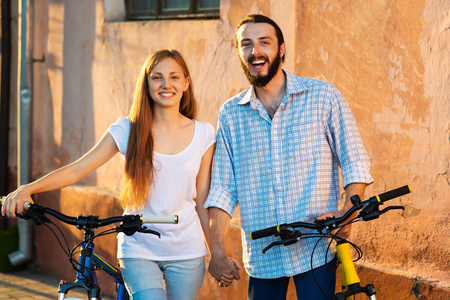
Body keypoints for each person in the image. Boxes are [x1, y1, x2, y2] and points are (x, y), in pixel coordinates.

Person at [1, 49, 216, 300]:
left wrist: (218, 254)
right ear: (146, 84)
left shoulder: (204, 134)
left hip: (186, 251)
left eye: (174, 77)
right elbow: (77, 168)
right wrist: (27, 188)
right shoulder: (127, 129)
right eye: (157, 77)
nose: (166, 84)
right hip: (138, 248)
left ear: (186, 83)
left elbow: (202, 202)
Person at [206, 14, 374, 299]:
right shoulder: (231, 114)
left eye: (264, 42)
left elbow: (355, 159)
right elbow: (222, 189)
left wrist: (348, 212)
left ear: (281, 49)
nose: (255, 51)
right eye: (246, 44)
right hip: (263, 255)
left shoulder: (322, 96)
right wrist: (218, 252)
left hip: (315, 248)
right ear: (239, 53)